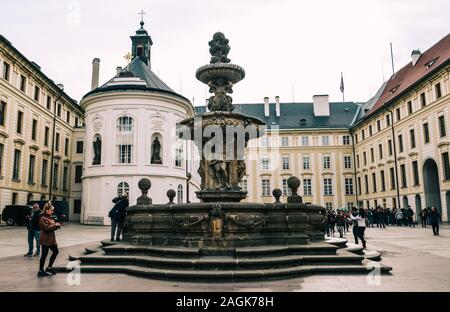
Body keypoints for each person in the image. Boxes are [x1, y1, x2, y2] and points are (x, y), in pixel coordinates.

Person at [38, 202, 61, 277]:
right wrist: (55, 225)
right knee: (44, 255)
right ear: (47, 210)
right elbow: (46, 228)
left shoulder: (49, 218)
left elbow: (52, 227)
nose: (52, 212)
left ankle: (49, 267)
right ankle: (40, 270)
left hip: (51, 239)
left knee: (56, 251)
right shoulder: (43, 218)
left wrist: (57, 225)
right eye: (51, 210)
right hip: (45, 239)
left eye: (52, 210)